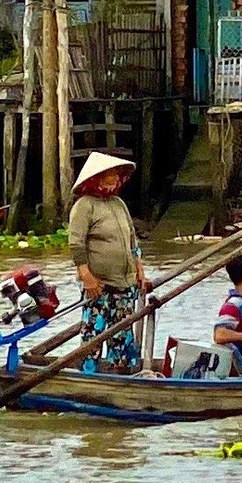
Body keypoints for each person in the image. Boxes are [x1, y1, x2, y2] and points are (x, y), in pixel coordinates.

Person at [68, 152, 149, 374]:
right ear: (98, 177)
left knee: (122, 334)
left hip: (124, 283)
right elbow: (76, 244)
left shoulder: (118, 204)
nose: (115, 179)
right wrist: (86, 276)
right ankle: (89, 376)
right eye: (109, 175)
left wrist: (140, 270)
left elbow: (132, 240)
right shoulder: (85, 206)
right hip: (99, 285)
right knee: (93, 334)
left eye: (116, 175)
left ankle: (121, 373)